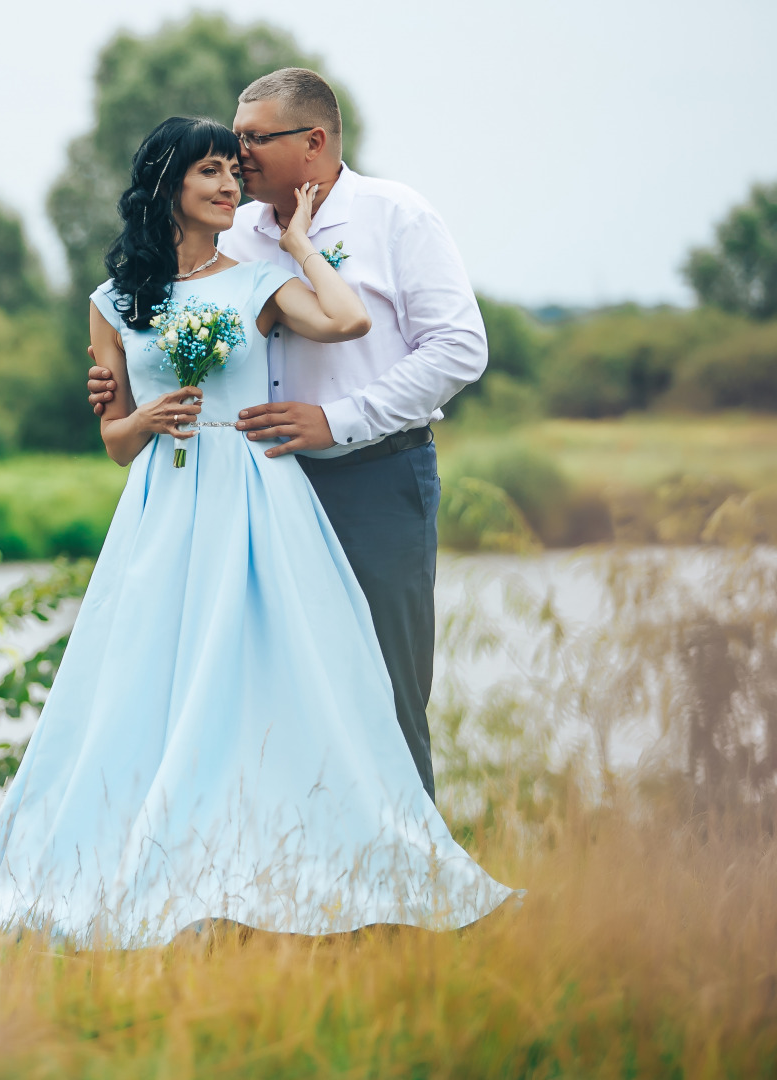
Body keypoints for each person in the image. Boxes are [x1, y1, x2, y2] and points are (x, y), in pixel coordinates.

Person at [0, 117, 514, 946]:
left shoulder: (257, 280)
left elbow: (347, 322)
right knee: (149, 679)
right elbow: (113, 445)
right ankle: (155, 861)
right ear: (167, 186)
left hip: (257, 492)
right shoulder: (111, 303)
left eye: (232, 173)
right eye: (210, 172)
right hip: (163, 507)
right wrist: (145, 416)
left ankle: (328, 865)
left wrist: (303, 243)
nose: (230, 185)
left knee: (287, 677)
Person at [87, 68, 488, 800]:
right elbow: (176, 322)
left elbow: (458, 349)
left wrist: (335, 420)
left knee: (380, 684)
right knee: (260, 689)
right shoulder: (230, 227)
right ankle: (283, 880)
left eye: (250, 141)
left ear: (313, 141)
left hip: (370, 476)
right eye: (228, 146)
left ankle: (400, 889)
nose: (236, 160)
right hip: (252, 489)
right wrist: (128, 389)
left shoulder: (395, 215)